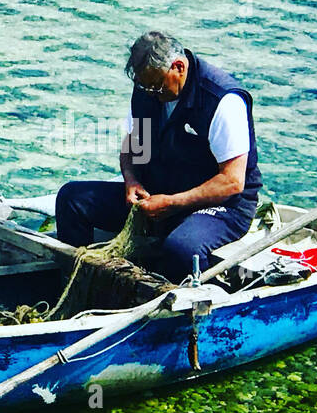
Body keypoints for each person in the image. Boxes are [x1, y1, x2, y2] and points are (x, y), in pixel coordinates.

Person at [56, 31, 263, 282]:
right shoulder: (147, 91)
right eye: (145, 86)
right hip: (157, 198)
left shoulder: (221, 100)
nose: (152, 93)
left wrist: (173, 203)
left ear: (178, 67)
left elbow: (232, 181)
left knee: (181, 249)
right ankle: (76, 284)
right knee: (71, 199)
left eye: (157, 86)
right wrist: (132, 181)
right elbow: (135, 146)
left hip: (219, 207)